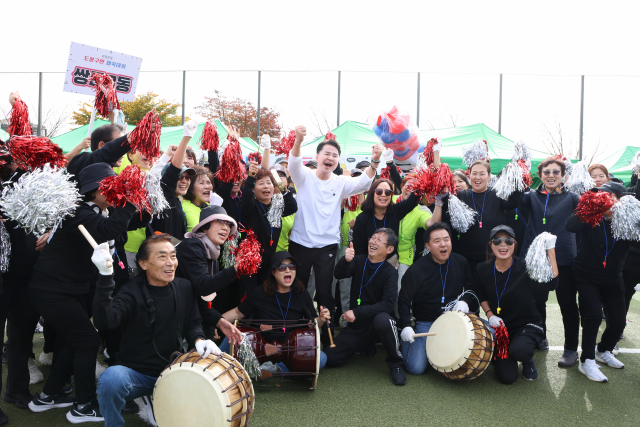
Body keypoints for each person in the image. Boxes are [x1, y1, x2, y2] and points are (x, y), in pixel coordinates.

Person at [27, 163, 140, 421]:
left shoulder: (97, 211)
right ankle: (84, 406)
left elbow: (123, 226)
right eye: (109, 187)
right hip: (53, 291)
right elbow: (109, 231)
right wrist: (130, 202)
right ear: (92, 192)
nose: (116, 192)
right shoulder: (80, 213)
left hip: (68, 289)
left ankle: (49, 396)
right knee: (88, 341)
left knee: (73, 341)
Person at [92, 234, 241, 426]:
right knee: (111, 379)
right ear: (143, 264)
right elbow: (105, 322)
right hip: (136, 374)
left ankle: (159, 397)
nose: (170, 263)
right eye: (162, 257)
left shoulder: (184, 286)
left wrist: (199, 340)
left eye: (173, 256)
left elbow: (193, 323)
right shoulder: (131, 290)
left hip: (175, 372)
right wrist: (105, 276)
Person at [287, 125, 380, 342]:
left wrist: (375, 160)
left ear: (338, 160)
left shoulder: (340, 182)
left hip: (327, 246)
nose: (330, 158)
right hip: (300, 243)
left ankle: (326, 333)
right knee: (298, 287)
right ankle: (297, 327)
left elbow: (363, 182)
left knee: (325, 291)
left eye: (335, 155)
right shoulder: (304, 177)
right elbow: (293, 164)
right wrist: (298, 141)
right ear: (317, 157)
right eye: (326, 154)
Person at [566, 182, 637, 382]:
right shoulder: (592, 217)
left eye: (610, 196)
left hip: (613, 277)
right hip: (585, 274)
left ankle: (602, 350)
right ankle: (586, 361)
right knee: (594, 316)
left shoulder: (627, 221)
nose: (605, 199)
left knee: (619, 321)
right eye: (601, 195)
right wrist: (591, 207)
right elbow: (570, 226)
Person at [221, 252, 330, 373]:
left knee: (322, 358)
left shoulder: (301, 294)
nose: (288, 270)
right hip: (259, 348)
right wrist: (218, 321)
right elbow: (237, 312)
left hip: (290, 351)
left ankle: (276, 369)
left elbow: (312, 323)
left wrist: (321, 319)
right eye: (282, 267)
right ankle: (216, 365)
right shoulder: (260, 292)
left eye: (292, 267)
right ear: (273, 272)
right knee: (232, 336)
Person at [476, 225, 559, 384]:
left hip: (527, 325)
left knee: (520, 350)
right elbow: (481, 295)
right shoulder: (482, 269)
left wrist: (551, 249)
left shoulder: (526, 267)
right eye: (497, 240)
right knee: (507, 378)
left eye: (508, 240)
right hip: (500, 329)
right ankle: (508, 354)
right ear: (491, 245)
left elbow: (551, 283)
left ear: (515, 244)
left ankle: (527, 359)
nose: (503, 245)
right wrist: (490, 315)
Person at [518, 157, 580, 363]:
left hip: (564, 260)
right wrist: (517, 174)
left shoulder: (572, 198)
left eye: (556, 172)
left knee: (568, 305)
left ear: (563, 176)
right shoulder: (531, 197)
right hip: (537, 261)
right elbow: (511, 201)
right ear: (540, 175)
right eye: (547, 172)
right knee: (537, 303)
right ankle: (540, 337)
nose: (551, 175)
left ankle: (571, 349)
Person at [325, 229, 404, 385]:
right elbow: (339, 274)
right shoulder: (359, 260)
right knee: (330, 358)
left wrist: (358, 312)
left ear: (389, 249)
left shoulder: (390, 272)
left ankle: (396, 364)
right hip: (357, 326)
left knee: (383, 320)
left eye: (379, 240)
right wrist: (345, 260)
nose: (373, 241)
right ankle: (364, 345)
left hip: (376, 324)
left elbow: (388, 304)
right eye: (372, 238)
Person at [398, 223, 476, 375]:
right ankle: (405, 342)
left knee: (488, 334)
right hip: (427, 324)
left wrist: (464, 301)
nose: (443, 244)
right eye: (437, 241)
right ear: (428, 245)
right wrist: (405, 325)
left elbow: (471, 288)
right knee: (416, 368)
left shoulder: (460, 261)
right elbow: (404, 299)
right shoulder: (416, 269)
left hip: (454, 319)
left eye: (446, 239)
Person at [442, 160, 524, 284]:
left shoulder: (497, 194)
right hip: (466, 257)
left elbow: (513, 202)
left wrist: (516, 179)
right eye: (474, 173)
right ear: (469, 176)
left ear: (489, 177)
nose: (478, 177)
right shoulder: (460, 196)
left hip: (493, 257)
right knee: (470, 295)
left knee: (492, 297)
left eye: (482, 173)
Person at [175, 206, 240, 335]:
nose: (225, 228)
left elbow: (202, 301)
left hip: (190, 316)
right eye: (220, 222)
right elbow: (203, 286)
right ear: (205, 227)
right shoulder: (192, 245)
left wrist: (218, 321)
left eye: (228, 224)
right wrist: (236, 269)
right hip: (175, 319)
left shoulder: (212, 252)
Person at [239, 163, 297, 292]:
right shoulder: (252, 207)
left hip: (269, 263)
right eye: (261, 183)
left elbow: (292, 206)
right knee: (250, 297)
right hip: (250, 264)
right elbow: (246, 197)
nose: (266, 186)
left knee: (265, 295)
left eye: (269, 183)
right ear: (254, 188)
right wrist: (251, 178)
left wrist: (280, 185)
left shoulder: (275, 207)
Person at [147, 123, 197, 240]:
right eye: (180, 177)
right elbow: (173, 172)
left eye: (188, 177)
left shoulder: (177, 200)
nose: (184, 181)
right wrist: (186, 138)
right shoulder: (164, 198)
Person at [182, 166, 220, 232]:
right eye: (201, 183)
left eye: (209, 182)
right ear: (191, 187)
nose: (207, 187)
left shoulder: (208, 205)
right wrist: (215, 210)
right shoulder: (187, 208)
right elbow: (199, 234)